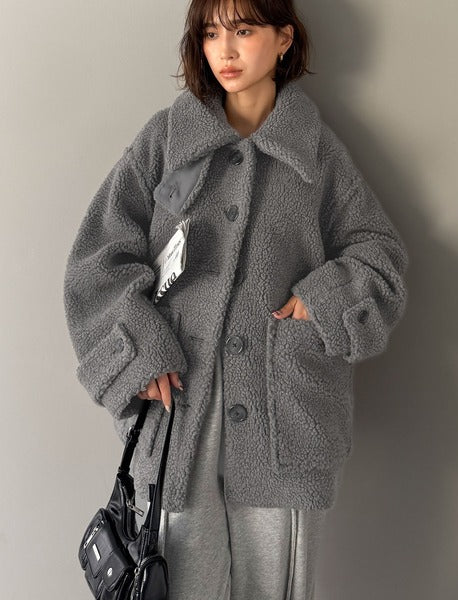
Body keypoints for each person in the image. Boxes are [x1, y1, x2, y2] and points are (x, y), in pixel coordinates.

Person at [63, 0, 409, 598]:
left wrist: (321, 300)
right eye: (210, 33)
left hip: (283, 420)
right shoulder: (166, 141)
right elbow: (97, 257)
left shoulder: (317, 154)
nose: (224, 50)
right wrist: (140, 353)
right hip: (181, 416)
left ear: (284, 40)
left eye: (243, 30)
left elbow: (380, 255)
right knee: (175, 583)